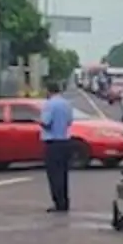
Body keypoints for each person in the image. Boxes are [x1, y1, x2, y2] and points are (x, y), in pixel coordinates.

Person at [40, 81, 74, 213]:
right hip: (65, 141)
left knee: (54, 175)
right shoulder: (67, 104)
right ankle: (65, 202)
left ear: (49, 91)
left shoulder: (49, 104)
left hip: (52, 142)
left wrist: (39, 122)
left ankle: (58, 202)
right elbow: (69, 121)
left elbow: (46, 122)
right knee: (63, 173)